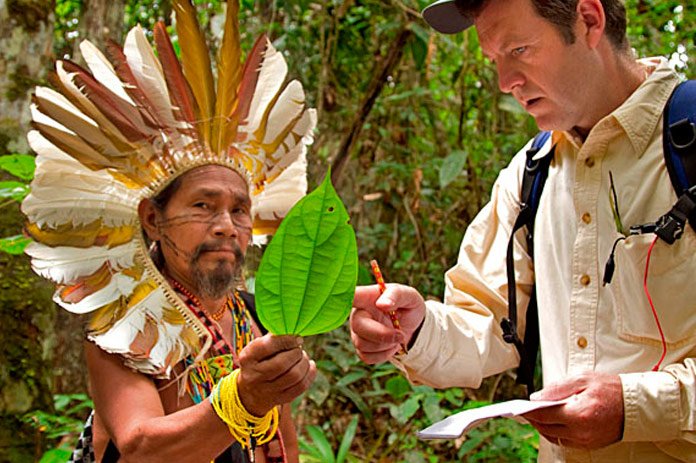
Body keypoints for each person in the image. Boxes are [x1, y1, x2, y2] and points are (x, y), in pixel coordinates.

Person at [349, 0, 695, 461]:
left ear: (589, 20)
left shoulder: (685, 146)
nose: (504, 83)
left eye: (521, 50)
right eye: (495, 60)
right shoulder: (531, 173)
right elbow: (489, 325)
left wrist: (637, 408)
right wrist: (415, 330)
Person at [22, 1, 318, 462]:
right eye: (204, 206)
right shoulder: (123, 323)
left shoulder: (255, 317)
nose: (226, 226)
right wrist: (242, 400)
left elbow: (282, 440)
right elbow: (141, 447)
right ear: (151, 218)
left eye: (240, 210)